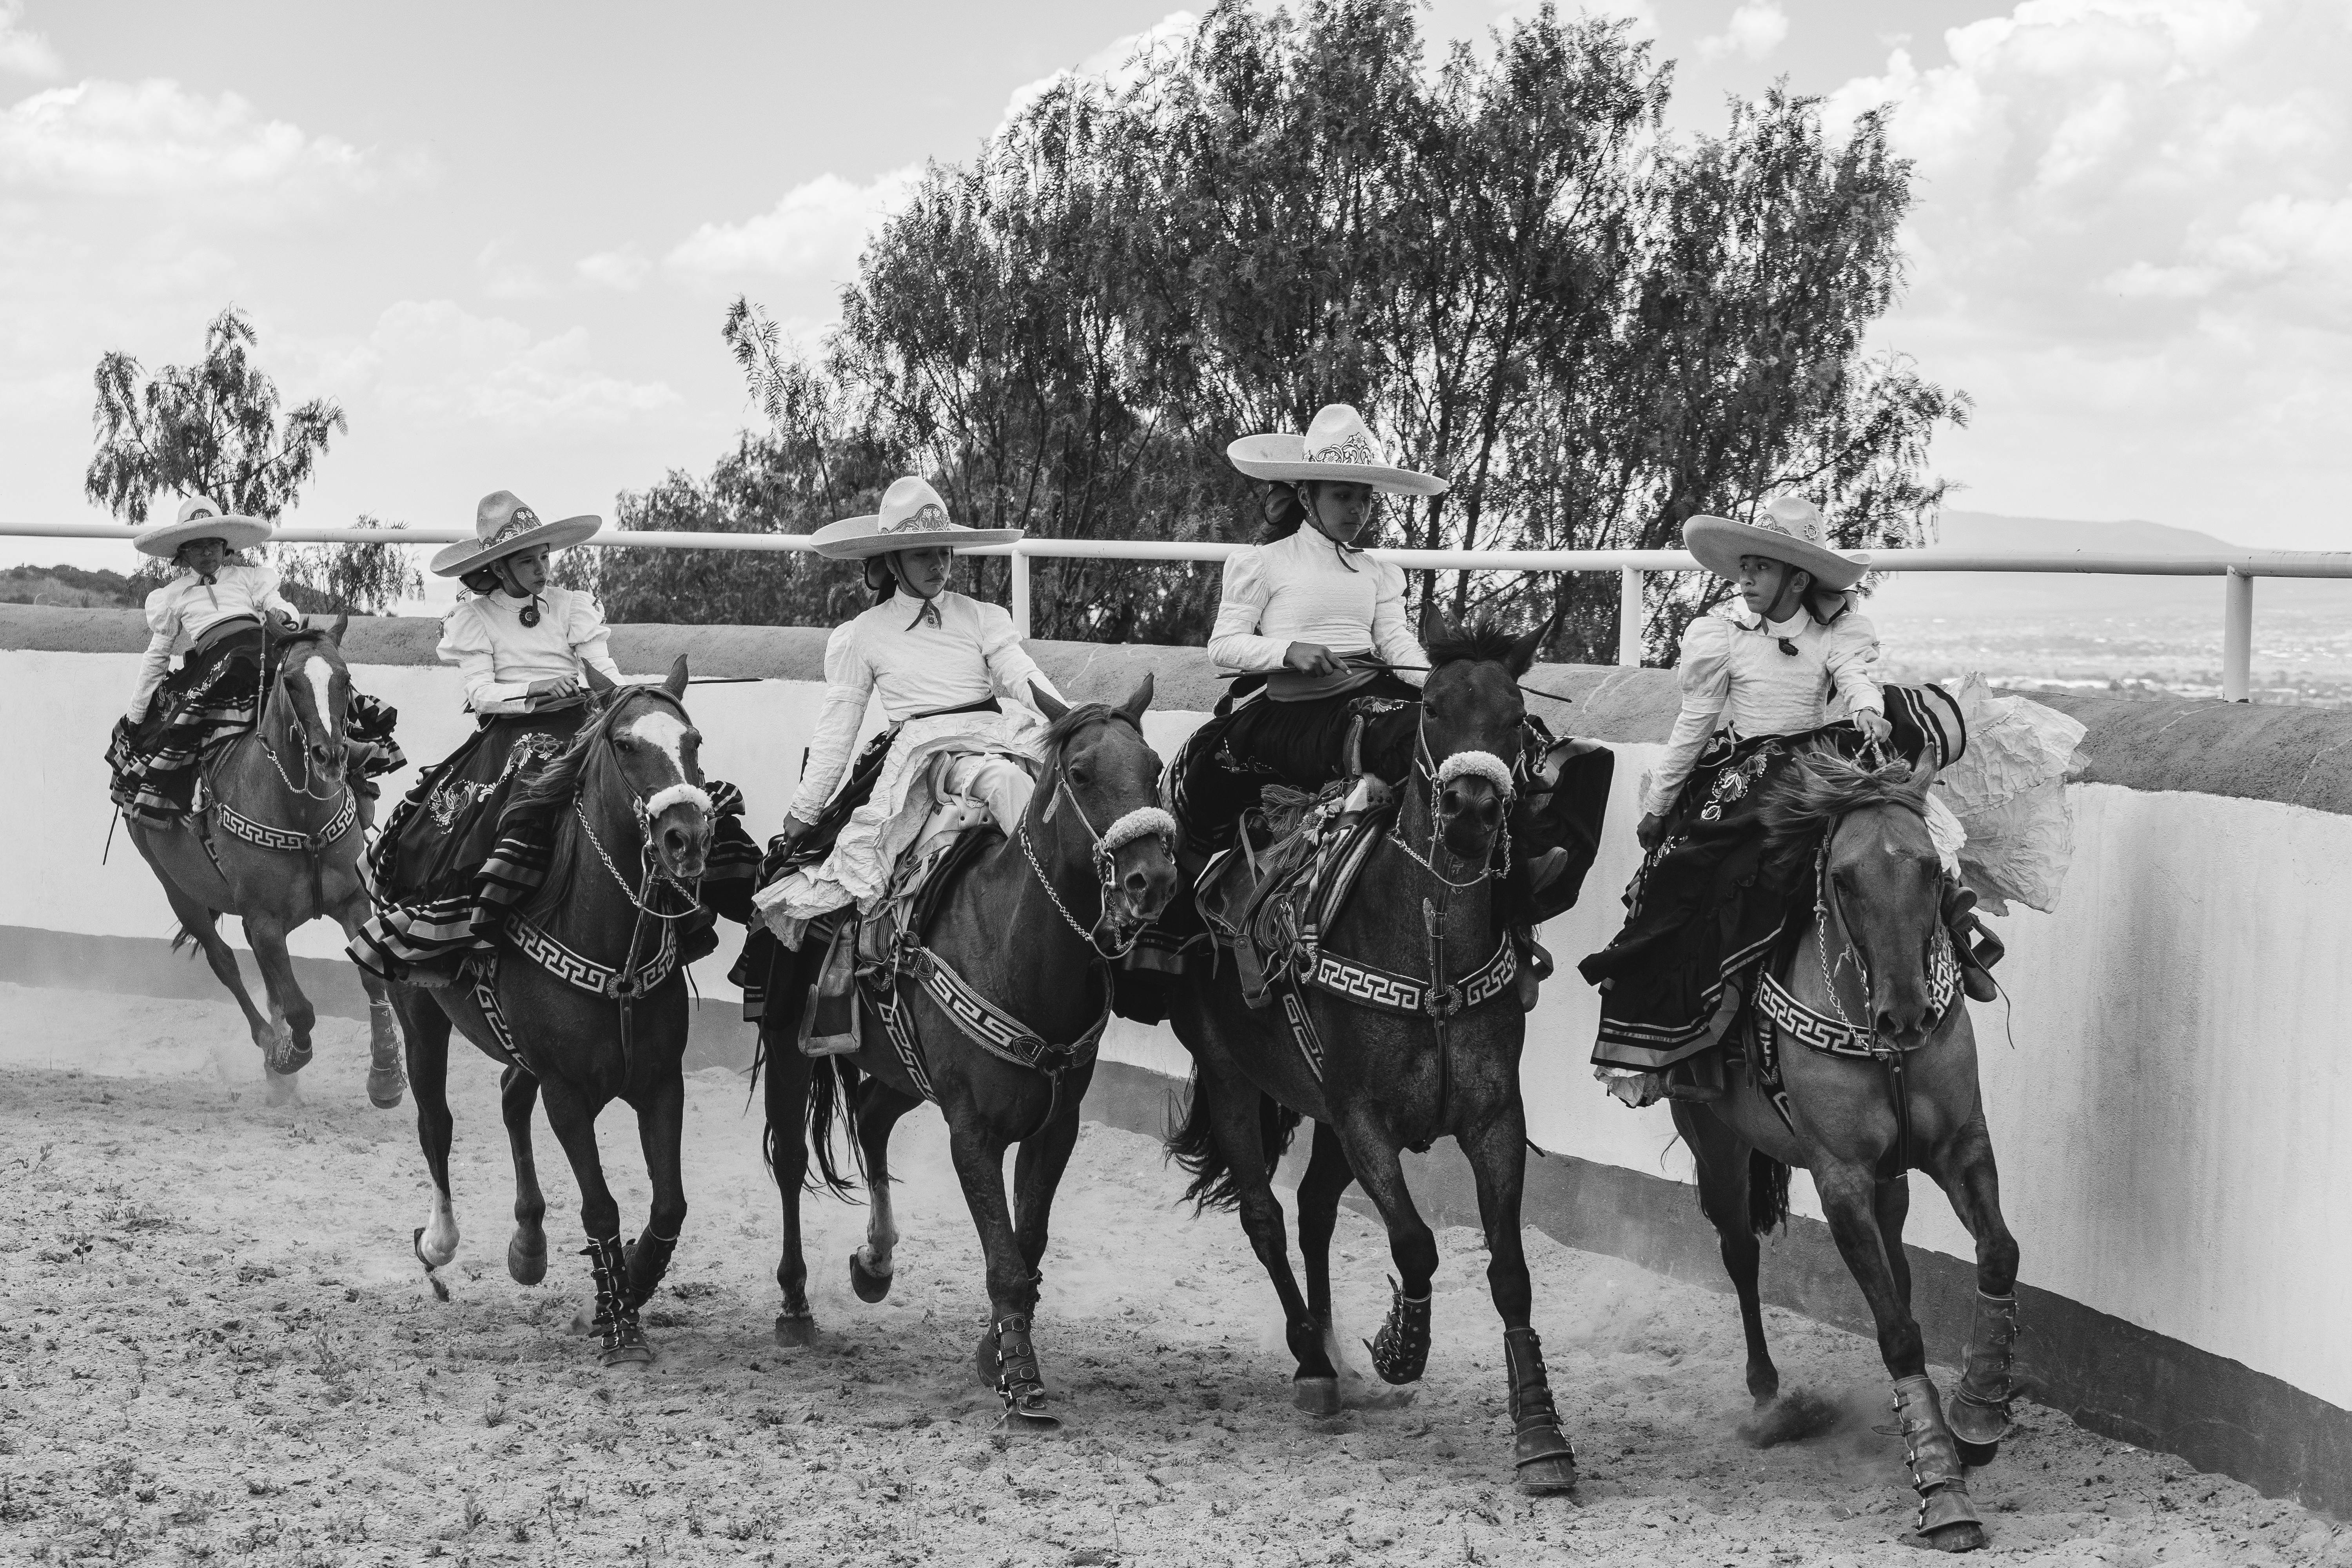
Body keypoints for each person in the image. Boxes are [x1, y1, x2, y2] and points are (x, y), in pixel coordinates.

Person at [1577, 496, 1992, 1111]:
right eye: (1743, 567)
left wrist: (1868, 713)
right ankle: (1695, 1034)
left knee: (1907, 844)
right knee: (1686, 873)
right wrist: (1661, 801)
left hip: (1823, 762)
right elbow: (1694, 726)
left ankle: (1959, 936)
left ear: (1797, 579)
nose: (1744, 579)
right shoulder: (1721, 637)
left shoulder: (1836, 633)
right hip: (1750, 776)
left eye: (1760, 568)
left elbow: (1856, 679)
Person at [749, 477, 1067, 1054]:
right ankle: (1046, 916)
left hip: (998, 732)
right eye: (924, 553)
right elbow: (838, 727)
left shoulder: (982, 616)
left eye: (944, 551)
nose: (939, 564)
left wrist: (1073, 721)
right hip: (930, 759)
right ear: (893, 560)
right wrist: (804, 810)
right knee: (1005, 783)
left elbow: (1021, 675)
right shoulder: (862, 636)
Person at [350, 490, 619, 985]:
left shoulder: (573, 606)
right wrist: (536, 689)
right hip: (513, 738)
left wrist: (625, 699)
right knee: (512, 813)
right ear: (499, 568)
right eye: (528, 560)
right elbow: (481, 694)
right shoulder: (473, 617)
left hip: (582, 724)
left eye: (544, 557)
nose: (542, 568)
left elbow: (605, 673)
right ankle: (484, 934)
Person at [1168, 403, 1442, 851]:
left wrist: (1438, 682)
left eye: (1366, 498)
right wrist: (1289, 651)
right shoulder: (1263, 563)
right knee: (1412, 738)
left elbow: (1395, 643)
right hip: (1299, 719)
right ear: (1306, 497)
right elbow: (1224, 646)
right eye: (1343, 496)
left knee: (1467, 726)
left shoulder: (1377, 571)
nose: (1358, 510)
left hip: (1372, 698)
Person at [106, 496, 399, 828]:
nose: (207, 553)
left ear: (225, 547)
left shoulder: (249, 578)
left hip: (262, 648)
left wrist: (281, 615)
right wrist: (137, 712)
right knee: (184, 728)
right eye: (198, 546)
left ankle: (347, 757)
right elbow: (158, 654)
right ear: (183, 553)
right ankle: (199, 799)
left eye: (213, 545)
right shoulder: (172, 595)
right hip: (216, 664)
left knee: (314, 677)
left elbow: (279, 605)